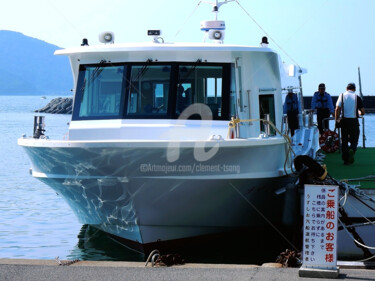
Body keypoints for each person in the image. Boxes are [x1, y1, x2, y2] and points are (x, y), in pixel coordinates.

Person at [335, 83, 365, 165]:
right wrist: (359, 112)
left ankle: (345, 160)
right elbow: (363, 112)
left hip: (344, 121)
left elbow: (337, 109)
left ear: (346, 88)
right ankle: (352, 148)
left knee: (344, 140)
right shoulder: (357, 97)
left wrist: (336, 120)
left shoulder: (342, 96)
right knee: (355, 138)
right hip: (354, 121)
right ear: (354, 89)